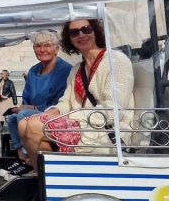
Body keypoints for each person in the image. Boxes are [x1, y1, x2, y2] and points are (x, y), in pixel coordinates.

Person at [18, 19, 134, 171]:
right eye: (74, 32)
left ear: (96, 32)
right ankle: (44, 177)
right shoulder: (77, 69)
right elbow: (66, 101)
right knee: (23, 124)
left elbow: (113, 110)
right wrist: (55, 112)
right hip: (84, 125)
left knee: (34, 126)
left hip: (106, 130)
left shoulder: (116, 61)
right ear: (70, 39)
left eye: (86, 29)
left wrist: (67, 117)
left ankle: (42, 178)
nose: (81, 34)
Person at [5, 30, 73, 152]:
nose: (42, 50)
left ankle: (30, 153)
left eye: (47, 45)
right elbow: (26, 98)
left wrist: (31, 108)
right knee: (11, 119)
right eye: (38, 46)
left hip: (55, 114)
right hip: (33, 112)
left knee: (22, 115)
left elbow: (59, 104)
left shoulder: (65, 70)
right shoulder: (33, 71)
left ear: (56, 49)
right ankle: (21, 154)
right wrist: (25, 107)